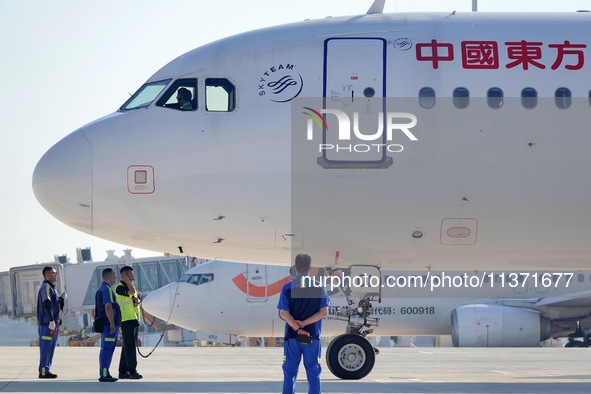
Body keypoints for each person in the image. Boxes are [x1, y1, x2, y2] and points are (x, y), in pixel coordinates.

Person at [277, 254, 330, 394]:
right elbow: (323, 312)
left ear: (294, 268)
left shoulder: (287, 288)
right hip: (312, 338)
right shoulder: (319, 287)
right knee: (314, 373)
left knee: (289, 373)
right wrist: (305, 323)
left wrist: (297, 327)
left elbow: (284, 313)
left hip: (292, 337)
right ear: (310, 268)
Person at [36, 266, 66, 379]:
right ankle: (43, 370)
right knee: (46, 347)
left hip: (53, 324)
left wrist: (61, 300)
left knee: (51, 347)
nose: (56, 275)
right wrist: (51, 320)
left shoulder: (53, 288)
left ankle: (47, 369)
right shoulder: (46, 287)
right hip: (47, 324)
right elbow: (46, 303)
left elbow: (55, 305)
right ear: (47, 275)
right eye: (54, 273)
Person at [115, 265, 143, 379]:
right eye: (130, 276)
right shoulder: (120, 287)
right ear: (124, 275)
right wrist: (126, 281)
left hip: (134, 320)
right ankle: (132, 371)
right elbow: (131, 291)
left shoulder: (131, 286)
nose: (132, 279)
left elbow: (134, 299)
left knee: (126, 347)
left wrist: (137, 302)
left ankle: (122, 371)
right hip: (126, 320)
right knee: (130, 347)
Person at [95, 268, 121, 382]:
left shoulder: (102, 289)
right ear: (108, 277)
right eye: (114, 275)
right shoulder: (106, 289)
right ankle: (104, 374)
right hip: (108, 324)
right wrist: (112, 324)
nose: (116, 277)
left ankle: (105, 372)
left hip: (105, 324)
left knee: (106, 349)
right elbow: (108, 306)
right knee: (107, 349)